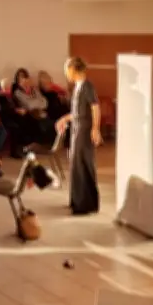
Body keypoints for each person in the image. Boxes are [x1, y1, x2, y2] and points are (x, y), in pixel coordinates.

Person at [56, 57, 101, 215]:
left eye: (66, 70)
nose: (66, 74)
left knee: (83, 164)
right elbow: (77, 112)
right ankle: (77, 200)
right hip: (77, 128)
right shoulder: (77, 87)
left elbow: (95, 108)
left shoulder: (87, 86)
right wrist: (64, 119)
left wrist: (95, 128)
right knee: (76, 164)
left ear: (73, 69)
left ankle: (85, 204)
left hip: (84, 130)